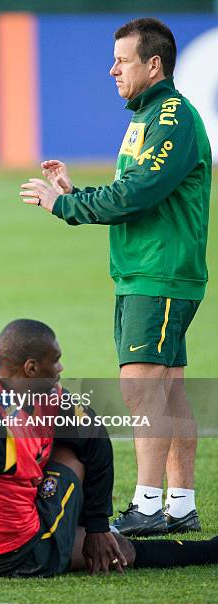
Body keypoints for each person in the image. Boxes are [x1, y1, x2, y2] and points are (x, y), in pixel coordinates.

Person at [20, 17, 211, 536]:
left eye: (122, 60)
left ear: (154, 64)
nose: (112, 70)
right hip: (146, 270)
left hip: (159, 272)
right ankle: (179, 505)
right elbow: (137, 190)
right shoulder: (148, 115)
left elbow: (136, 195)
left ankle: (147, 507)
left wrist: (65, 205)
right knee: (169, 389)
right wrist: (76, 191)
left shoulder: (172, 117)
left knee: (140, 387)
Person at [0, 320, 218, 586]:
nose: (61, 369)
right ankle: (209, 550)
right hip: (16, 552)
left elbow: (96, 435)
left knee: (76, 445)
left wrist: (97, 525)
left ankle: (94, 534)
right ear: (31, 368)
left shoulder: (40, 392)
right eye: (56, 361)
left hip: (11, 531)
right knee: (118, 546)